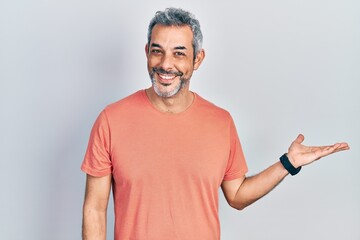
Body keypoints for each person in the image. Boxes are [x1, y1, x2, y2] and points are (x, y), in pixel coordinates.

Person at [81, 7, 349, 240]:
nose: (165, 64)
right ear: (146, 53)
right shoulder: (112, 120)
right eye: (157, 51)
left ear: (197, 59)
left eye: (179, 54)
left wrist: (287, 163)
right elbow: (95, 208)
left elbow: (238, 195)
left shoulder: (220, 122)